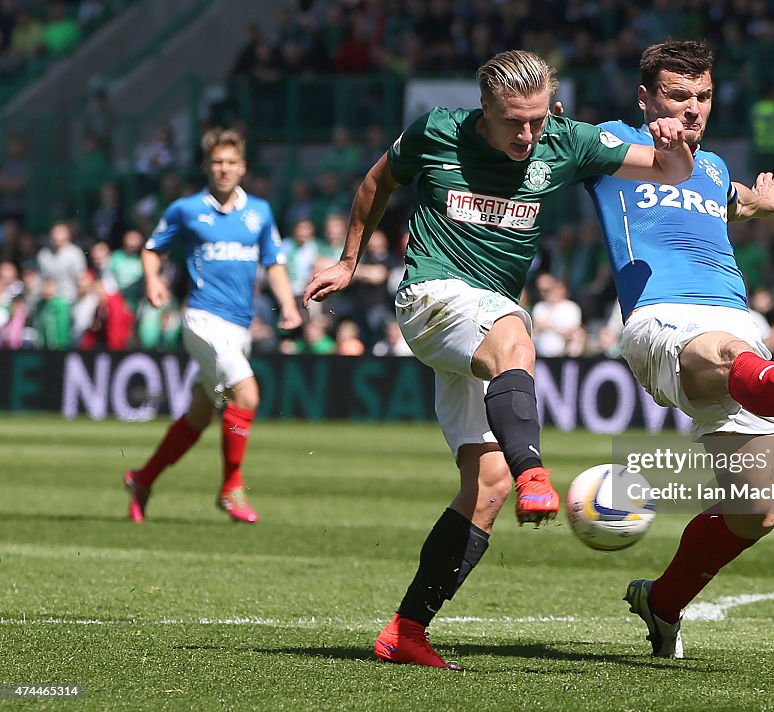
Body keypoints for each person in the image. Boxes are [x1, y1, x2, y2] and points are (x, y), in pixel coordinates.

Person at [303, 49, 694, 669]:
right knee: (516, 336)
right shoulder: (436, 132)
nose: (527, 134)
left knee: (484, 488)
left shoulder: (564, 142)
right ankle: (534, 470)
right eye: (514, 120)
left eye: (538, 119)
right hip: (433, 296)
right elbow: (378, 181)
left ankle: (406, 630)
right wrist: (349, 260)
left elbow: (669, 172)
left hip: (483, 314)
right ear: (482, 107)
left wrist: (674, 141)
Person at [583, 40, 774, 660]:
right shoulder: (607, 143)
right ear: (645, 98)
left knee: (753, 513)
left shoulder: (709, 168)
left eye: (702, 96)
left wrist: (757, 205)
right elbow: (542, 139)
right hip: (661, 319)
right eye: (677, 95)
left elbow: (721, 202)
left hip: (739, 327)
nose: (692, 108)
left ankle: (661, 604)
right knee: (719, 351)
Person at [123, 128, 302, 524]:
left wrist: (288, 303)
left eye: (231, 163)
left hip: (239, 327)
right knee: (247, 395)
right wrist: (153, 280)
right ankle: (230, 489)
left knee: (201, 415)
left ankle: (142, 478)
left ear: (243, 168)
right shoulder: (186, 209)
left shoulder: (260, 212)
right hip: (202, 319)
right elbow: (153, 250)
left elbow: (274, 262)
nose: (224, 169)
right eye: (217, 162)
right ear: (206, 166)